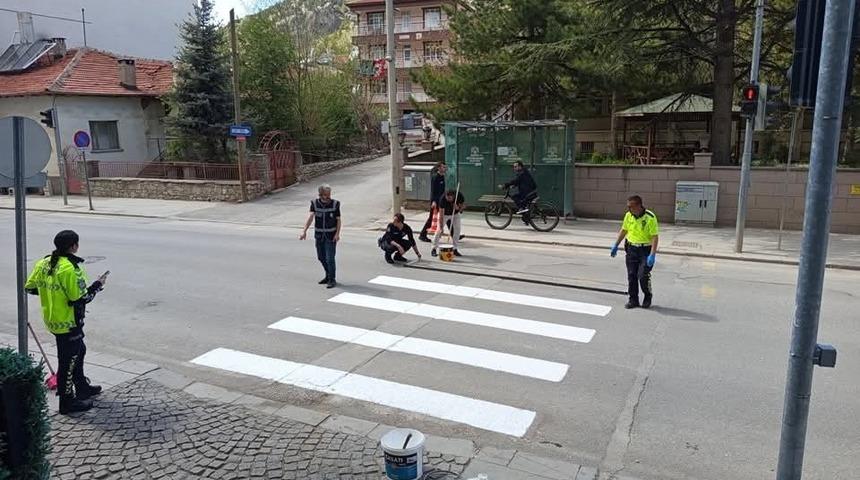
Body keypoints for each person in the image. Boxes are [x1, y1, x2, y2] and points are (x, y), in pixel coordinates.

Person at [25, 230, 106, 414]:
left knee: (79, 351)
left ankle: (82, 388)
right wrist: (97, 286)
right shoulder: (70, 268)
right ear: (74, 246)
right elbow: (81, 298)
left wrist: (51, 294)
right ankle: (67, 402)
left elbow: (30, 288)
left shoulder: (44, 262)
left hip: (53, 320)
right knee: (68, 362)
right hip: (69, 322)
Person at [610, 195, 660, 309]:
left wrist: (652, 254)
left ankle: (648, 296)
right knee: (631, 275)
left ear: (638, 206)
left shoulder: (650, 217)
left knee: (642, 276)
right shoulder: (628, 216)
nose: (629, 209)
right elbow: (624, 230)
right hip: (631, 248)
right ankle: (633, 300)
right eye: (628, 206)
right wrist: (615, 245)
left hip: (645, 250)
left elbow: (654, 237)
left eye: (631, 207)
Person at [300, 184, 341, 289]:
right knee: (321, 257)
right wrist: (304, 231)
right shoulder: (314, 203)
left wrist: (337, 234)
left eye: (329, 194)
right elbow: (310, 217)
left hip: (331, 236)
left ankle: (332, 279)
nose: (328, 197)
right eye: (326, 195)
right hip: (319, 236)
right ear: (320, 194)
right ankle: (328, 275)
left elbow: (338, 220)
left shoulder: (335, 204)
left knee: (330, 258)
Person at [431, 189, 465, 257]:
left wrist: (458, 208)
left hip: (455, 214)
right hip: (445, 215)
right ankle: (433, 249)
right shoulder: (442, 200)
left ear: (453, 197)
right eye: (447, 197)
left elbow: (463, 207)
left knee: (457, 230)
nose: (448, 199)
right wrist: (441, 228)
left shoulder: (459, 196)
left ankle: (454, 249)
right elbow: (441, 215)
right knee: (438, 231)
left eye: (450, 198)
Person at [419, 162, 447, 242]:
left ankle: (454, 234)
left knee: (446, 216)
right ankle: (422, 234)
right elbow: (433, 190)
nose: (444, 168)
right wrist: (434, 201)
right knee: (431, 218)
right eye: (443, 167)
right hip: (436, 201)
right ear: (439, 168)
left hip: (441, 200)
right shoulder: (435, 177)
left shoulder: (442, 177)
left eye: (445, 167)